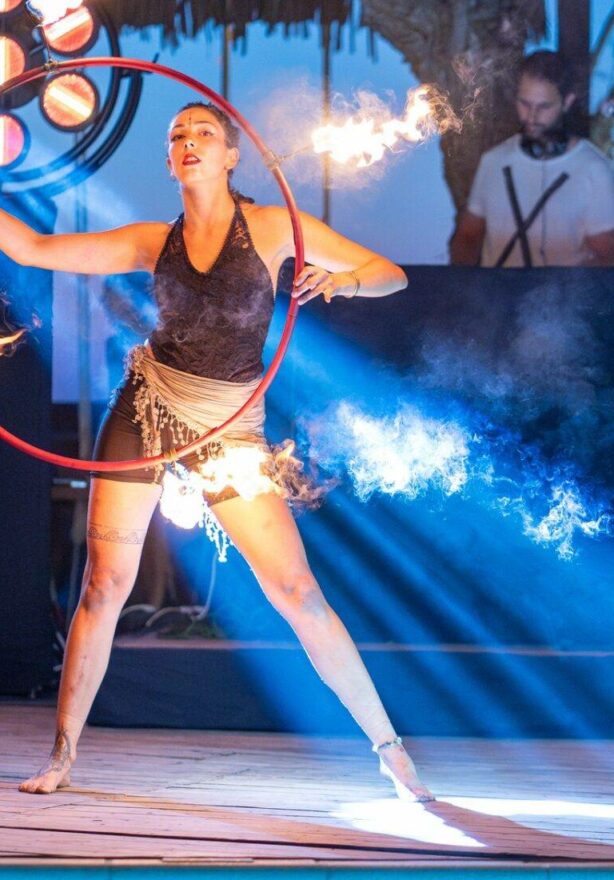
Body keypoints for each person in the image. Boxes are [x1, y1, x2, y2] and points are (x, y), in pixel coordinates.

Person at [3, 101, 433, 802]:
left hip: (229, 428)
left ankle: (390, 751)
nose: (189, 141)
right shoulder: (152, 240)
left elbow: (391, 274)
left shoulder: (269, 229)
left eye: (204, 132)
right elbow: (31, 249)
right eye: (177, 136)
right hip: (146, 409)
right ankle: (61, 755)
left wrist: (344, 279)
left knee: (296, 591)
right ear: (170, 162)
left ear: (232, 156)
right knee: (104, 584)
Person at [450, 50, 614, 267]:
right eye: (524, 104)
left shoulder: (594, 169)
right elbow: (468, 237)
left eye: (544, 106)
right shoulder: (493, 162)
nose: (531, 116)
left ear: (567, 101)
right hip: (496, 297)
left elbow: (606, 255)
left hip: (562, 299)